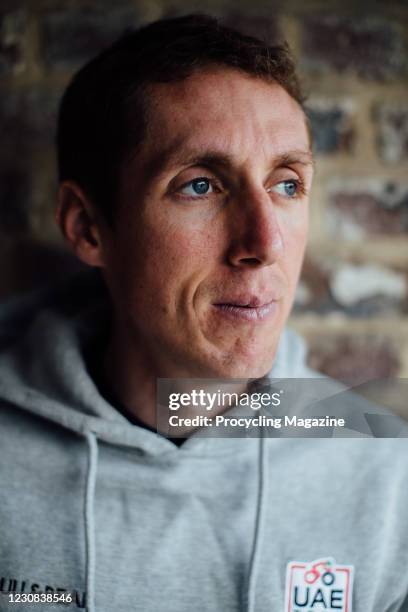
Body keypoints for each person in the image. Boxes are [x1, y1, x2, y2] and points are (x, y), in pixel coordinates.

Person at [0, 13, 407, 612]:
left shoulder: (387, 482)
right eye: (200, 185)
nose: (265, 243)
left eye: (287, 184)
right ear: (89, 227)